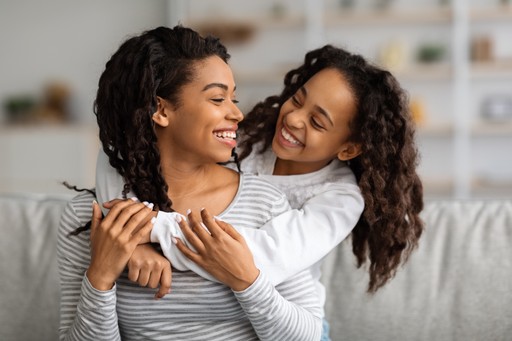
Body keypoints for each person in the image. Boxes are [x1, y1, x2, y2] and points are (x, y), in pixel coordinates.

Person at [96, 44, 424, 341]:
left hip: (289, 319)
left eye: (318, 122)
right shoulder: (248, 141)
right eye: (297, 98)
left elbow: (257, 258)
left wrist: (151, 230)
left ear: (349, 149)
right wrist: (129, 240)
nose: (294, 118)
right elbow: (124, 147)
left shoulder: (339, 199)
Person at [57, 25, 323, 341]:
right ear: (161, 109)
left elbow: (308, 336)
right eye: (217, 98)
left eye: (233, 98)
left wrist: (246, 280)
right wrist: (100, 276)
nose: (237, 113)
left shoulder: (265, 203)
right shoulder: (93, 218)